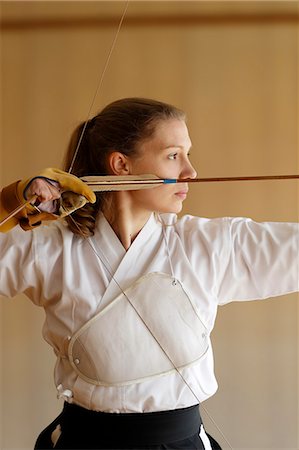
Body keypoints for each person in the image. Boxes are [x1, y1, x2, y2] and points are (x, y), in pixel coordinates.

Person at [0, 98, 298, 450]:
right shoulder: (48, 249)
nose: (191, 172)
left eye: (187, 155)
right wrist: (12, 202)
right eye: (174, 155)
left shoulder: (209, 245)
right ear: (121, 165)